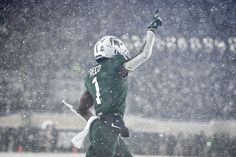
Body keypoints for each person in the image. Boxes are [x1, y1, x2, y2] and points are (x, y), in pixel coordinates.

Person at [77, 10, 162, 157]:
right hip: (108, 126)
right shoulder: (116, 67)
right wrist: (152, 30)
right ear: (112, 48)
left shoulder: (91, 74)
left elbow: (82, 108)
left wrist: (96, 122)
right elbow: (144, 54)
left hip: (105, 126)